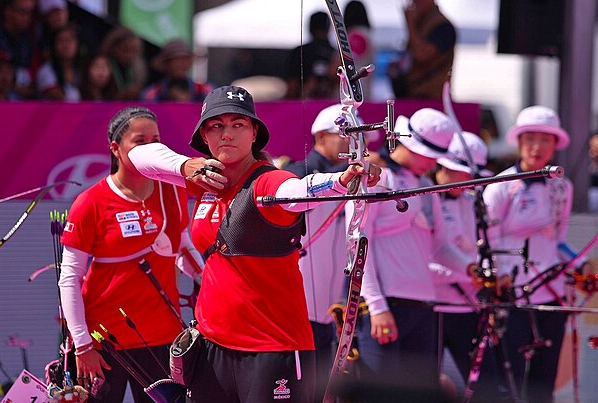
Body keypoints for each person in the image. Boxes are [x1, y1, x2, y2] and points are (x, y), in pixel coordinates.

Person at [127, 85, 381, 402]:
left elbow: (299, 191)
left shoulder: (268, 180)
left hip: (272, 349)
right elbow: (138, 156)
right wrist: (186, 166)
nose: (227, 134)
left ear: (254, 132)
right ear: (204, 136)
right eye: (216, 126)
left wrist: (342, 181)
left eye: (238, 124)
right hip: (212, 346)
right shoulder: (205, 179)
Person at [58, 106, 205, 402]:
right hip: (104, 343)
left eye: (156, 140)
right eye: (140, 141)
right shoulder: (90, 202)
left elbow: (183, 247)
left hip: (163, 338)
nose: (150, 148)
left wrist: (208, 278)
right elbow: (69, 278)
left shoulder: (172, 191)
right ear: (116, 149)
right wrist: (83, 346)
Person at [351, 108, 454, 402]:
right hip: (385, 306)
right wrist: (377, 306)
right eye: (428, 154)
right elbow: (359, 246)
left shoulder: (427, 186)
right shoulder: (375, 178)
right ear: (407, 143)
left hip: (423, 305)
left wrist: (472, 269)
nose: (434, 162)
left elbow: (441, 248)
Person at [482, 106, 576, 403]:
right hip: (512, 294)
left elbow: (560, 241)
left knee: (543, 382)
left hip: (550, 293)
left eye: (545, 140)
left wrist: (580, 263)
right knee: (508, 380)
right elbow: (486, 244)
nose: (537, 147)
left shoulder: (563, 186)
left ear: (555, 145)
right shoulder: (500, 186)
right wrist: (496, 279)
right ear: (519, 142)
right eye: (530, 139)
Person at [284, 104, 356, 402]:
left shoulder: (350, 176)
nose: (351, 144)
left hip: (329, 304)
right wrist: (348, 172)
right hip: (301, 296)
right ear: (321, 137)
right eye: (344, 136)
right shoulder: (298, 171)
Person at [431, 131, 499, 401]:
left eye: (470, 174)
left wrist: (488, 275)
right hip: (431, 309)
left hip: (468, 308)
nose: (466, 180)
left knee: (488, 387)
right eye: (459, 172)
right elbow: (424, 260)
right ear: (443, 166)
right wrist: (468, 272)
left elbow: (480, 248)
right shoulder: (425, 198)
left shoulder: (474, 203)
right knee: (423, 387)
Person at [389, 0, 456, 99]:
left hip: (432, 99)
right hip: (413, 95)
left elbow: (421, 55)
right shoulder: (421, 23)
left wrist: (410, 24)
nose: (413, 1)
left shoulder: (443, 27)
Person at [285, 11, 335, 99]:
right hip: (331, 106)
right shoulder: (336, 55)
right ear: (328, 28)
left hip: (303, 105)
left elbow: (292, 85)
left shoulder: (300, 51)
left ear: (310, 28)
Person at [142, 38, 211, 102]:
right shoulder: (151, 94)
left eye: (186, 59)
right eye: (177, 60)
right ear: (167, 64)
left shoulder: (205, 91)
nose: (182, 64)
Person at [0, 0, 35, 98]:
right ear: (7, 11)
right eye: (22, 11)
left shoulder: (29, 39)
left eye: (30, 12)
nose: (27, 17)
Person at [36, 24, 83, 101]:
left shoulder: (83, 68)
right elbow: (65, 99)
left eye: (70, 39)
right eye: (61, 40)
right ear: (54, 45)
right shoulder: (46, 71)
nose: (66, 45)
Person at [101, 26, 147, 100]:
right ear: (114, 48)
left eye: (134, 51)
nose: (130, 55)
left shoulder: (138, 68)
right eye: (126, 50)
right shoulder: (105, 66)